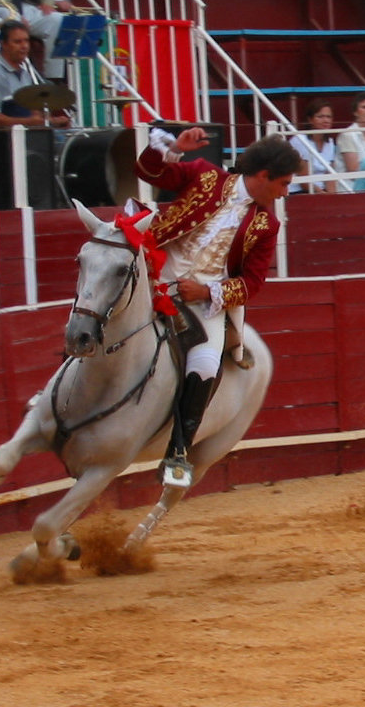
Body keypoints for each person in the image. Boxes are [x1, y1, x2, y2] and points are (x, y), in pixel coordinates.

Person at [135, 126, 299, 482]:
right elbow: (150, 173)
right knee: (99, 307)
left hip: (201, 302)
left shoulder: (266, 224)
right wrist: (174, 149)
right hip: (152, 277)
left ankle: (177, 450)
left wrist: (209, 293)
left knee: (206, 365)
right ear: (262, 176)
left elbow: (253, 282)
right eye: (283, 184)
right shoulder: (205, 176)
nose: (284, 193)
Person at [0, 21, 68, 128]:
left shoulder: (25, 71)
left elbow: (32, 111)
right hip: (7, 139)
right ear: (3, 44)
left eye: (26, 41)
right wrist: (29, 122)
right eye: (17, 42)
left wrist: (49, 121)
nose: (24, 46)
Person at [290, 98, 337, 194]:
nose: (325, 120)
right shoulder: (299, 140)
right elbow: (304, 180)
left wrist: (333, 196)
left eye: (329, 117)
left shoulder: (330, 143)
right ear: (310, 119)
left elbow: (330, 177)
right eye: (320, 116)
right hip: (298, 191)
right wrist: (323, 194)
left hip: (321, 192)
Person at [336, 91, 365, 174]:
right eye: (364, 107)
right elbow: (353, 169)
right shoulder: (347, 135)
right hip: (351, 185)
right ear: (355, 112)